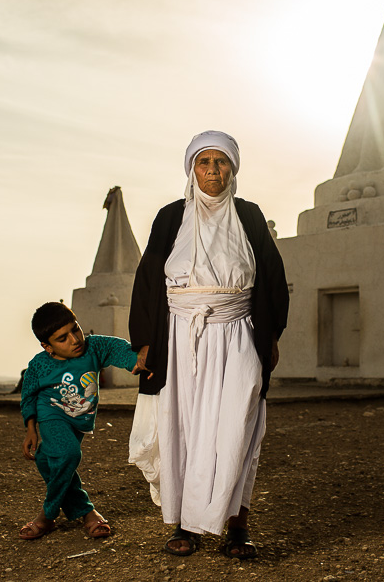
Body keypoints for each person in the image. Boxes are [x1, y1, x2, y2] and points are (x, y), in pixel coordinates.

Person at [129, 130, 289, 559]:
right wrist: (145, 343)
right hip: (180, 338)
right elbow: (148, 280)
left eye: (221, 162)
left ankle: (238, 526)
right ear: (191, 168)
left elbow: (271, 276)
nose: (213, 170)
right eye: (204, 162)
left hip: (238, 332)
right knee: (184, 425)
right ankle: (186, 524)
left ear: (233, 169)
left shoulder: (250, 217)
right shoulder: (170, 217)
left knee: (239, 424)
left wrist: (270, 334)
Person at [18, 302, 148, 540]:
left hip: (79, 419)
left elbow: (121, 350)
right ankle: (47, 515)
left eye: (75, 330)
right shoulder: (39, 365)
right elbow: (29, 396)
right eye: (62, 338)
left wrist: (139, 360)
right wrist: (31, 429)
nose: (75, 340)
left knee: (49, 462)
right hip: (52, 413)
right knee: (68, 454)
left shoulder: (94, 347)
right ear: (47, 346)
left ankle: (86, 511)